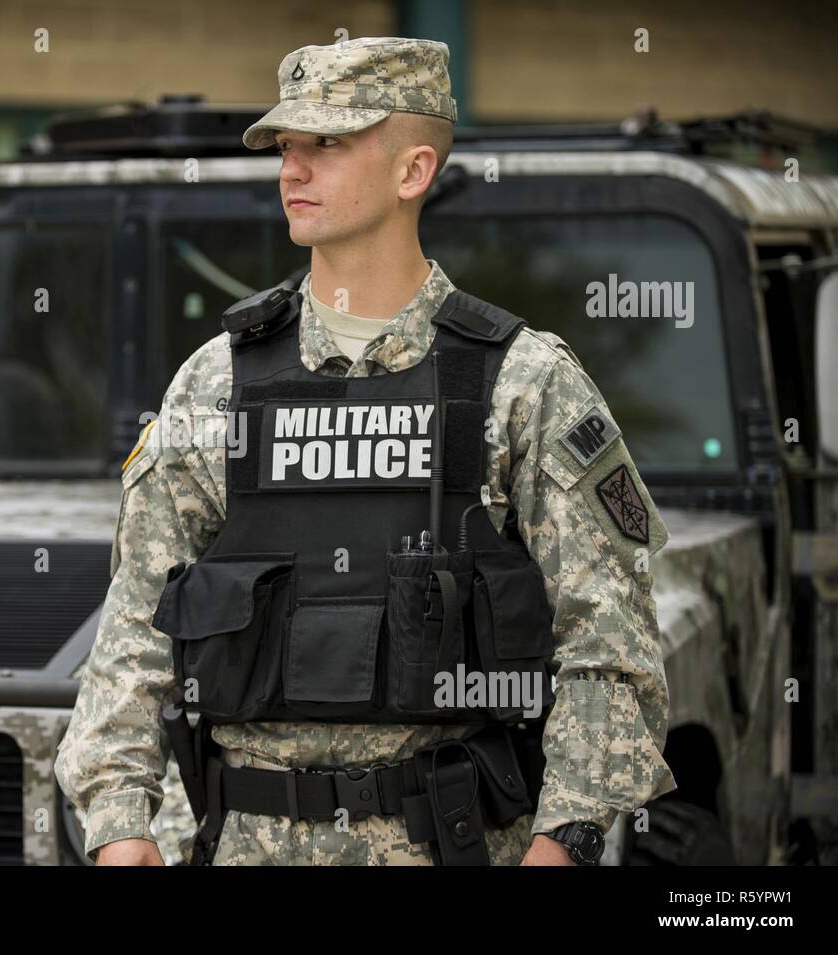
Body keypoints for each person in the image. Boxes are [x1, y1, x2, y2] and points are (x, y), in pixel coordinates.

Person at [55, 35, 677, 866]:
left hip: (448, 842)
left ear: (412, 171)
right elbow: (135, 624)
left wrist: (562, 842)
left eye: (327, 144)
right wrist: (120, 823)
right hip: (240, 843)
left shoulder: (521, 384)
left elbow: (611, 647)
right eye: (286, 146)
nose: (292, 169)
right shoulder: (217, 385)